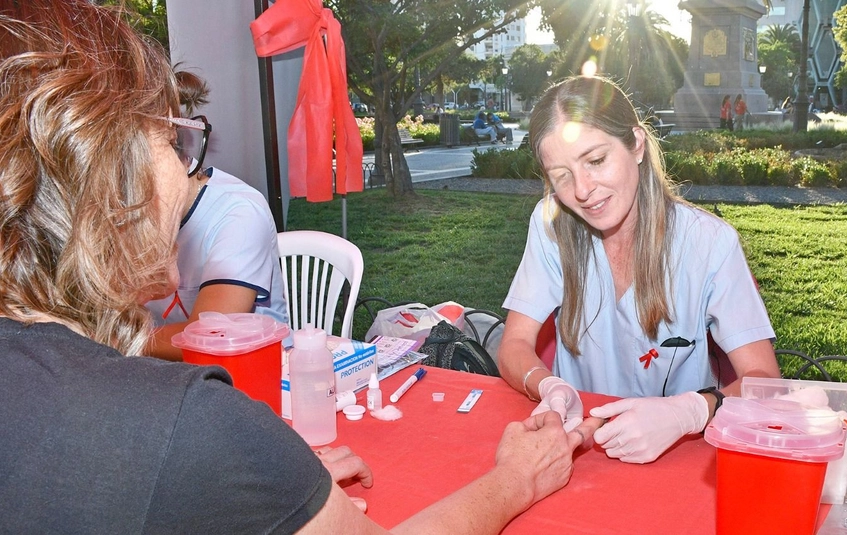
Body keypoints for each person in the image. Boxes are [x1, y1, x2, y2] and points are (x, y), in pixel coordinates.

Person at [0, 2, 599, 533]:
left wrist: (261, 485)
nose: (187, 165)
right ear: (113, 171)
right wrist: (515, 480)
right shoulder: (186, 422)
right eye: (173, 137)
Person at [497, 76, 780, 465]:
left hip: (684, 455)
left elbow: (765, 379)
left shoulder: (710, 243)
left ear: (636, 144)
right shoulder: (550, 226)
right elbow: (513, 345)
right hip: (581, 451)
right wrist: (548, 385)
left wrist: (689, 413)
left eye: (596, 160)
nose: (582, 190)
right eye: (561, 175)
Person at [144, 70, 289, 361]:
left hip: (258, 374)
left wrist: (107, 339)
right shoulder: (140, 211)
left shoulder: (240, 211)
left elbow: (210, 338)